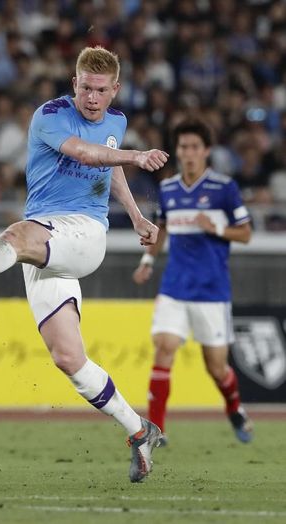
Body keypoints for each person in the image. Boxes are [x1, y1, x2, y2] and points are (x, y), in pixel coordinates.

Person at [0, 46, 169, 483]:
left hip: (85, 234)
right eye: (85, 87)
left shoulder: (117, 123)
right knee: (68, 357)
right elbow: (90, 155)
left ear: (115, 91)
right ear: (74, 84)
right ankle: (139, 430)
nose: (92, 97)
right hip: (46, 242)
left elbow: (109, 164)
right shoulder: (50, 115)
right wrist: (134, 155)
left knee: (15, 236)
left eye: (101, 90)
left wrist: (135, 214)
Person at [132, 118, 253, 444]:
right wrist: (146, 260)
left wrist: (217, 229)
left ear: (206, 151)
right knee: (165, 347)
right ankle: (157, 430)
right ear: (178, 151)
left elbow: (246, 233)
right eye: (183, 147)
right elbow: (161, 229)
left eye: (194, 147)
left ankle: (235, 408)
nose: (188, 153)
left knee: (216, 368)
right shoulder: (168, 189)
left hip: (212, 292)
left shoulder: (223, 189)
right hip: (174, 287)